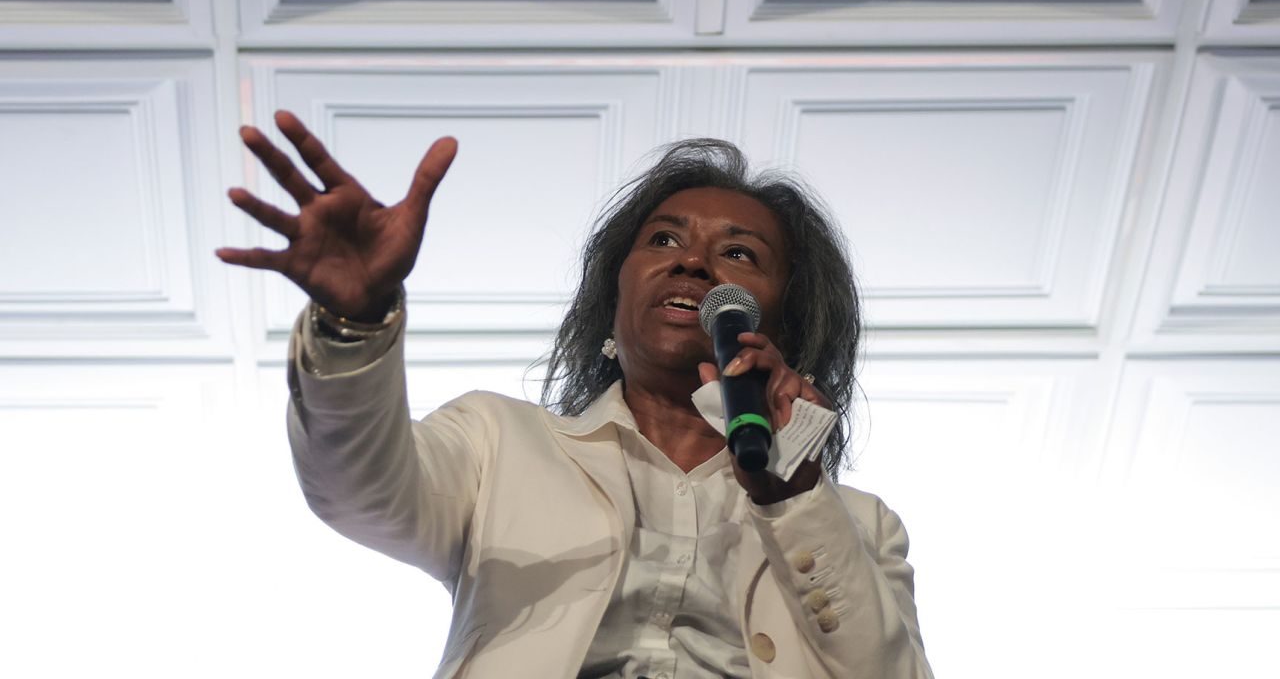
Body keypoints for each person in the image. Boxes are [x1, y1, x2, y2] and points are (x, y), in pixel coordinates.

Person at [217, 110, 933, 679]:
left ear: (786, 321)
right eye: (663, 240)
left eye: (739, 253)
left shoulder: (862, 526)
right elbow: (356, 491)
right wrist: (358, 320)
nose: (692, 261)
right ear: (612, 298)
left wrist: (794, 496)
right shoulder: (500, 442)